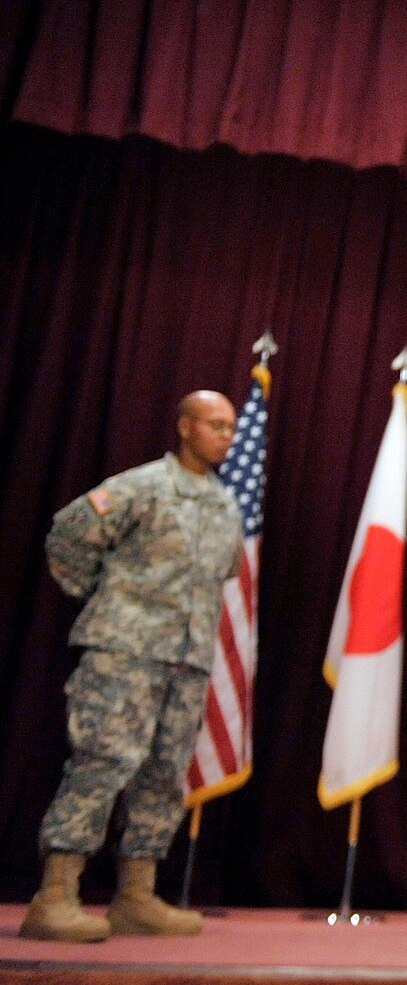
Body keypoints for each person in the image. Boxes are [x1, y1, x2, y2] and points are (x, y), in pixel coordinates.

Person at [21, 391, 244, 943]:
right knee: (104, 762)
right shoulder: (141, 487)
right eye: (215, 425)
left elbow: (223, 577)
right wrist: (108, 603)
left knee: (164, 776)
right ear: (185, 427)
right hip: (125, 652)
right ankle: (55, 896)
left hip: (187, 659)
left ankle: (137, 896)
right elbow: (68, 536)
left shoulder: (225, 507)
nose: (225, 436)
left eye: (231, 427)